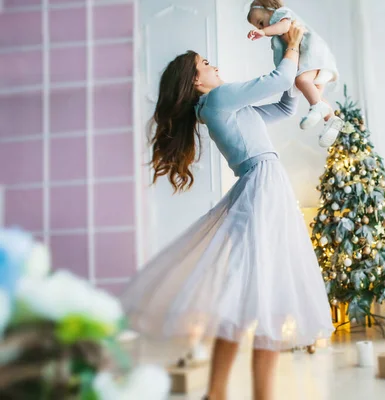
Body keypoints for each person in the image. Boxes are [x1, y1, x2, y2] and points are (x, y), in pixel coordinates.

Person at [120, 22, 333, 400]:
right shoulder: (218, 101)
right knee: (267, 293)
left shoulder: (226, 107)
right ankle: (250, 395)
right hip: (263, 184)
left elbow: (284, 103)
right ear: (195, 81)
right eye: (205, 63)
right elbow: (278, 78)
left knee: (247, 295)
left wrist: (287, 58)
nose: (213, 65)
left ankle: (216, 393)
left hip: (262, 184)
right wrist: (292, 46)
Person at [247, 0, 343, 148]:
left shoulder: (281, 14)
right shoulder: (276, 31)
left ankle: (317, 108)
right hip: (317, 62)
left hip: (313, 55)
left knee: (301, 80)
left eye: (260, 22)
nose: (261, 27)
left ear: (269, 9)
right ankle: (331, 120)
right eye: (258, 26)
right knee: (315, 93)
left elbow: (284, 26)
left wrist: (263, 32)